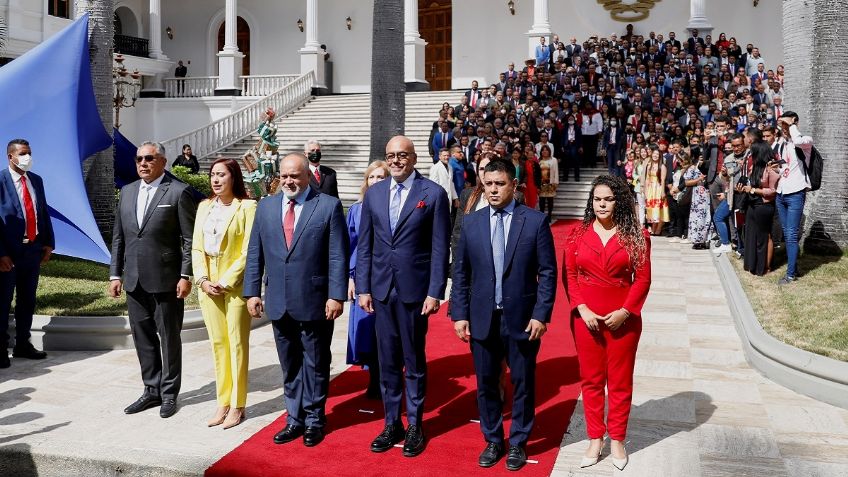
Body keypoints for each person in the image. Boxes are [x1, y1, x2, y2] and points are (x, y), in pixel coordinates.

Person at [451, 158, 556, 471]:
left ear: (514, 185)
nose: (493, 189)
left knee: (523, 382)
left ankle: (519, 442)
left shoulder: (535, 221)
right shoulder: (472, 222)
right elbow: (461, 273)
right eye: (489, 183)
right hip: (482, 316)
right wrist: (459, 313)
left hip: (522, 318)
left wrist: (541, 314)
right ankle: (494, 439)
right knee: (485, 382)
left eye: (500, 184)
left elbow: (547, 273)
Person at [243, 153, 348, 447]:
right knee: (289, 364)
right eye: (285, 176)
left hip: (315, 300)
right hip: (278, 299)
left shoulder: (327, 206)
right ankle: (294, 419)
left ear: (308, 177)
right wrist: (252, 292)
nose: (289, 181)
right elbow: (255, 253)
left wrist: (336, 295)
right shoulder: (265, 207)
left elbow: (338, 254)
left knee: (315, 362)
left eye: (295, 176)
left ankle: (315, 419)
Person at [356, 135, 450, 457]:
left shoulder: (433, 195)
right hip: (381, 290)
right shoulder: (375, 194)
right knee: (387, 361)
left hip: (414, 291)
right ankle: (391, 422)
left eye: (402, 155)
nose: (396, 161)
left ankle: (415, 425)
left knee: (414, 360)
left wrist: (436, 291)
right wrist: (364, 287)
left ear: (413, 158)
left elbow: (440, 248)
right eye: (390, 155)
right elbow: (365, 245)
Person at [564, 175, 652, 472]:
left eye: (608, 199)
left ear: (619, 202)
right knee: (590, 381)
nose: (602, 204)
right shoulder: (576, 234)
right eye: (597, 199)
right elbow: (571, 276)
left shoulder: (636, 236)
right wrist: (582, 308)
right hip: (586, 320)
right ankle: (594, 438)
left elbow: (642, 279)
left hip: (623, 321)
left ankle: (617, 439)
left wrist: (626, 312)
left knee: (619, 382)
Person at [109, 141, 197, 419]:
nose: (142, 163)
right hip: (133, 279)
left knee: (169, 338)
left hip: (166, 280)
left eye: (149, 158)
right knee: (142, 337)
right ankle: (151, 389)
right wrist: (115, 273)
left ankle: (169, 393)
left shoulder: (179, 191)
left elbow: (189, 239)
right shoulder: (127, 191)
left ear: (162, 161)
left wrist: (185, 275)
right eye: (138, 159)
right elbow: (119, 237)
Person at [191, 158, 256, 429]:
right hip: (208, 283)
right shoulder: (204, 206)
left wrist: (227, 280)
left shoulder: (248, 207)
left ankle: (238, 405)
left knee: (237, 343)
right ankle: (223, 401)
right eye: (213, 175)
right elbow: (196, 248)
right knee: (218, 344)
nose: (216, 180)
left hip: (235, 284)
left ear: (234, 178)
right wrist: (203, 280)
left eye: (222, 175)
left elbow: (249, 249)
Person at [0, 139, 54, 368]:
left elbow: (42, 211)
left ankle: (23, 343)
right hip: (8, 254)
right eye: (22, 153)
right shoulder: (0, 181)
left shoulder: (36, 180)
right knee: (2, 302)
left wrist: (48, 243)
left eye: (29, 153)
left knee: (27, 300)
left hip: (32, 249)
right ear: (10, 156)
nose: (27, 158)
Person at [347, 161, 390, 399]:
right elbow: (350, 246)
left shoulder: (394, 207)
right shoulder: (356, 210)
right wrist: (351, 277)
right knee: (367, 331)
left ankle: (389, 376)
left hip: (387, 277)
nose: (375, 181)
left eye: (381, 177)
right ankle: (374, 379)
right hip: (363, 279)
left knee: (387, 331)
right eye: (372, 177)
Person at [774, 112, 813, 285]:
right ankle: (794, 267)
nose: (783, 129)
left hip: (796, 193)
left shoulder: (805, 141)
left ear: (794, 124)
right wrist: (777, 169)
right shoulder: (784, 144)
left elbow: (798, 140)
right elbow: (786, 168)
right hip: (781, 193)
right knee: (787, 234)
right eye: (781, 126)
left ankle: (790, 275)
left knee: (790, 235)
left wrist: (792, 125)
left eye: (785, 125)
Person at [741, 141, 780, 275]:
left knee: (763, 237)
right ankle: (752, 264)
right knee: (751, 236)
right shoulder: (755, 168)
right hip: (752, 205)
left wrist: (754, 190)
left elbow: (773, 190)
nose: (751, 155)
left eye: (753, 152)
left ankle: (764, 267)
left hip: (764, 205)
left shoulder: (771, 169)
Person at [643, 147, 669, 236]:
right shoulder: (649, 165)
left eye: (657, 154)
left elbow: (663, 181)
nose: (655, 155)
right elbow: (646, 179)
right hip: (650, 189)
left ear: (660, 156)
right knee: (652, 209)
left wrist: (662, 192)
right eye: (654, 153)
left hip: (658, 188)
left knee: (659, 209)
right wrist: (645, 191)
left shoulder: (662, 167)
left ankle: (658, 228)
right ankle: (653, 227)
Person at [537, 145, 558, 220]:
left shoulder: (554, 160)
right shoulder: (538, 160)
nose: (544, 151)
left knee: (550, 201)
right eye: (543, 150)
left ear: (549, 151)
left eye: (546, 150)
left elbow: (556, 172)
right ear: (541, 152)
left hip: (551, 184)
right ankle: (542, 216)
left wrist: (556, 183)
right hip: (541, 184)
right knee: (541, 201)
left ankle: (549, 216)